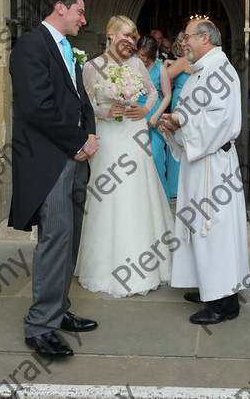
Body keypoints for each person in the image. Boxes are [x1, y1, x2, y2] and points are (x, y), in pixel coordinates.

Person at [8, 0, 99, 357]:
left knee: (70, 236)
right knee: (55, 240)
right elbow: (37, 107)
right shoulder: (31, 45)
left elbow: (79, 99)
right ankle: (39, 325)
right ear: (60, 7)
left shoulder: (67, 50)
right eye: (79, 11)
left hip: (74, 157)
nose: (83, 18)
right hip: (50, 160)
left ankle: (58, 310)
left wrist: (90, 134)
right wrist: (79, 141)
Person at [158, 19, 250, 325]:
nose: (183, 44)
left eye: (187, 38)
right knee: (197, 226)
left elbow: (220, 123)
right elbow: (195, 113)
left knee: (215, 231)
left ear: (205, 38)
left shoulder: (220, 70)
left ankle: (225, 303)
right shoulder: (203, 70)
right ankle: (210, 287)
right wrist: (174, 122)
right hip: (200, 161)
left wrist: (179, 124)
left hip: (213, 164)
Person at [75, 16, 174, 297]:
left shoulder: (136, 64)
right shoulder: (93, 67)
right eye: (126, 35)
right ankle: (104, 267)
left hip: (134, 134)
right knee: (108, 197)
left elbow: (153, 93)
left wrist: (145, 111)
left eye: (133, 37)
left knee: (137, 194)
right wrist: (106, 112)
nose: (130, 41)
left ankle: (145, 264)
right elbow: (86, 106)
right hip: (108, 138)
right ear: (110, 34)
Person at [136, 36, 172, 198]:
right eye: (139, 54)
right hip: (136, 112)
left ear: (151, 54)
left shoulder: (159, 68)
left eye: (145, 55)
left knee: (156, 157)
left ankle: (159, 200)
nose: (142, 58)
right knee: (137, 158)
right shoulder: (133, 66)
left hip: (154, 114)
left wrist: (156, 116)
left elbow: (167, 95)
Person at [164, 32, 192, 198]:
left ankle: (174, 186)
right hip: (189, 100)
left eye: (183, 41)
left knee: (176, 139)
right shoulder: (193, 61)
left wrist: (166, 64)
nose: (181, 45)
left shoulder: (183, 61)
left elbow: (162, 77)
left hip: (180, 99)